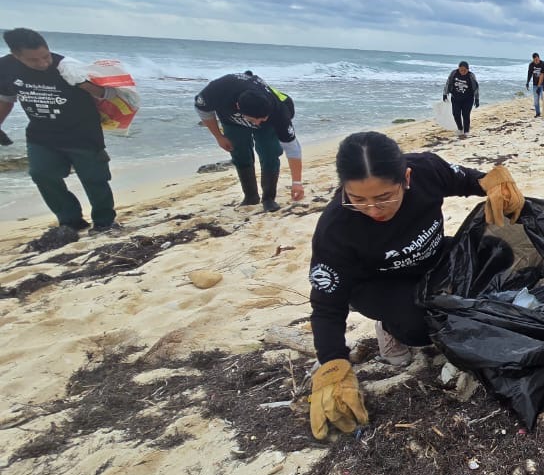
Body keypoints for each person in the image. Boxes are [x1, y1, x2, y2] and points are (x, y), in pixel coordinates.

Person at [306, 131, 525, 439]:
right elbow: (327, 306)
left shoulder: (426, 170)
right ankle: (389, 327)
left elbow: (469, 181)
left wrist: (494, 184)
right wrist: (332, 366)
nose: (373, 209)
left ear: (406, 178)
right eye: (358, 199)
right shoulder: (336, 228)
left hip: (431, 260)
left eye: (384, 197)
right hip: (379, 284)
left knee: (499, 253)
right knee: (419, 327)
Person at [0, 27, 120, 233]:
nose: (43, 63)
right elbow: (6, 99)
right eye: (33, 60)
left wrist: (84, 84)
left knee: (94, 179)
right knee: (41, 174)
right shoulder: (5, 68)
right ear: (15, 55)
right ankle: (70, 221)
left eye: (45, 56)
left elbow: (109, 93)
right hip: (41, 135)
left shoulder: (68, 67)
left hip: (83, 133)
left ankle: (104, 222)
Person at [195, 71, 305, 211]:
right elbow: (203, 110)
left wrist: (297, 183)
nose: (258, 123)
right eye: (255, 119)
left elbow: (292, 148)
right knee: (239, 152)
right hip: (231, 120)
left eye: (262, 118)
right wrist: (219, 137)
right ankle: (250, 196)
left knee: (270, 151)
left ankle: (269, 198)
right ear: (238, 107)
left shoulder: (279, 111)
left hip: (269, 121)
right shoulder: (217, 91)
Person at [443, 61, 479, 138]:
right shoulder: (454, 73)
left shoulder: (471, 76)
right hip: (455, 98)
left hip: (468, 99)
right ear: (458, 68)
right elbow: (448, 83)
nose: (462, 72)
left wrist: (477, 99)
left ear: (468, 69)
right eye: (461, 70)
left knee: (465, 115)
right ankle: (460, 129)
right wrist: (445, 94)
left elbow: (476, 88)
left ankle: (466, 131)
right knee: (456, 114)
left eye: (464, 70)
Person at [525, 52, 544, 118]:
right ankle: (538, 113)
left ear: (539, 58)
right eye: (534, 60)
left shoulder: (543, 64)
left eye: (537, 59)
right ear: (533, 59)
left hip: (543, 84)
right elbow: (529, 74)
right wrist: (527, 82)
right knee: (536, 100)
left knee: (543, 98)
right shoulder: (531, 65)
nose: (536, 61)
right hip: (535, 85)